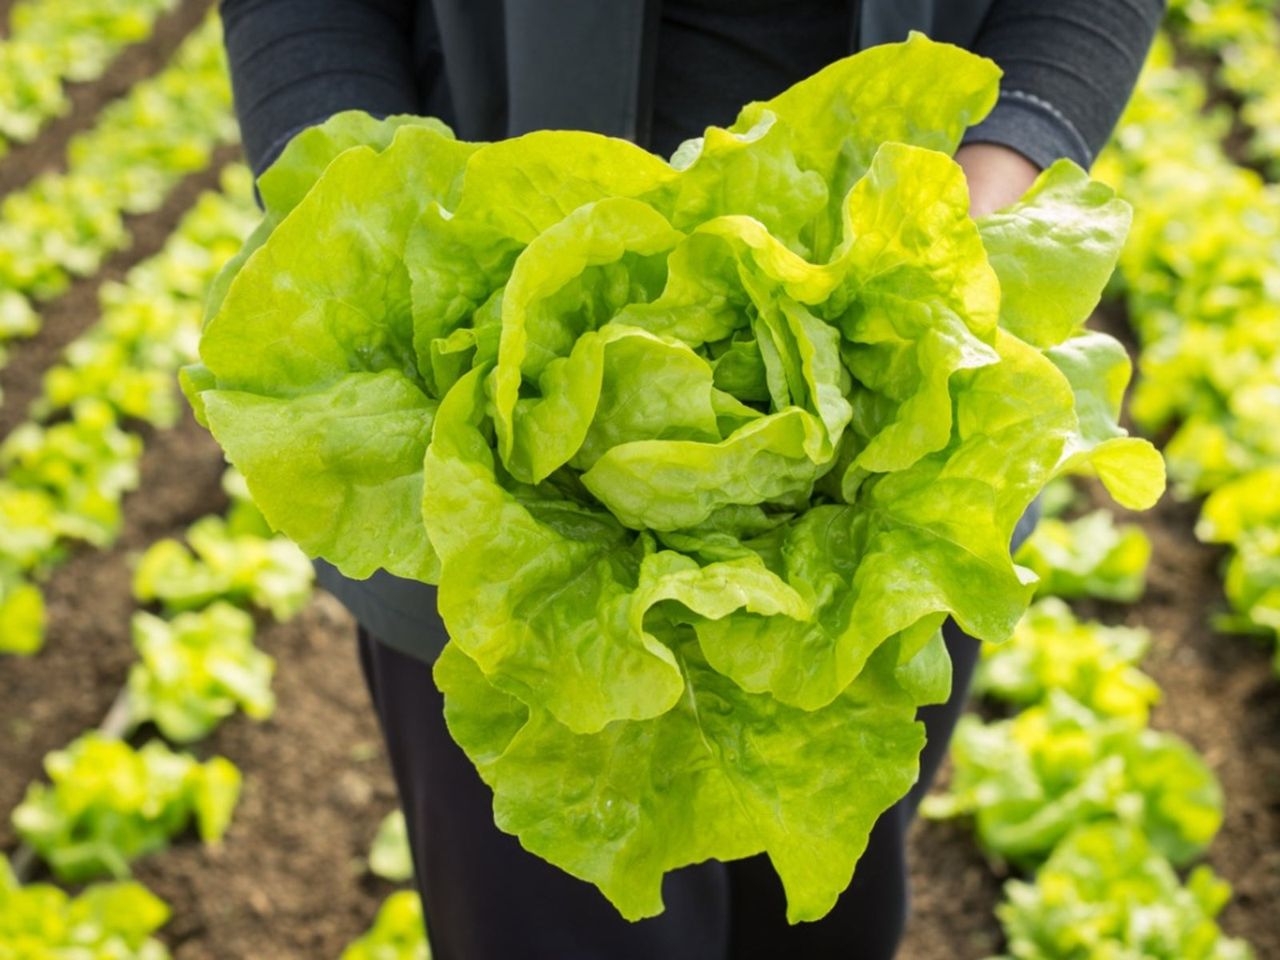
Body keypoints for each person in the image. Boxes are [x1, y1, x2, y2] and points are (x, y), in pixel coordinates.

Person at [218, 2, 1162, 957]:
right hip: (496, 556)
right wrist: (369, 236)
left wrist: (997, 167)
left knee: (827, 929)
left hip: (882, 510)